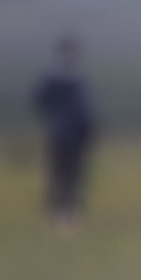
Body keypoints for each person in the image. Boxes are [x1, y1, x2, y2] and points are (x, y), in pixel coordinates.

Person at [32, 34, 97, 232]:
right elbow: (40, 102)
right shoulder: (55, 81)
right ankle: (56, 219)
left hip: (77, 138)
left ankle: (71, 219)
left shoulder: (78, 81)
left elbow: (87, 113)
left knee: (75, 178)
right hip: (60, 137)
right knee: (58, 177)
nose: (70, 56)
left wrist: (88, 132)